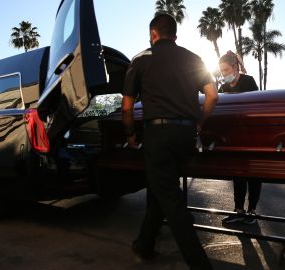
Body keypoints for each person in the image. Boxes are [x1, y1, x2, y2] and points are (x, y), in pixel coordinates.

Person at [121, 13, 218, 270]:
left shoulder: (141, 59)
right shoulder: (193, 59)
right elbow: (212, 96)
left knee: (171, 199)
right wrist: (199, 123)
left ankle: (200, 265)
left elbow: (127, 108)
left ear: (153, 34)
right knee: (161, 189)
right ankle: (144, 243)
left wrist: (130, 134)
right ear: (175, 34)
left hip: (158, 137)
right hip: (186, 136)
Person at [218, 51, 262, 225]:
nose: (224, 74)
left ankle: (252, 212)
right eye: (221, 71)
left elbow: (255, 105)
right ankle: (238, 211)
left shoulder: (248, 81)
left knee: (253, 174)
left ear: (235, 68)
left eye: (226, 70)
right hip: (234, 136)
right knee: (237, 174)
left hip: (252, 135)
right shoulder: (223, 88)